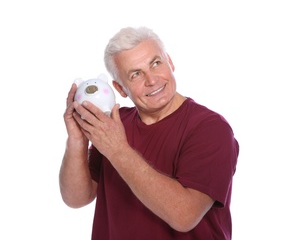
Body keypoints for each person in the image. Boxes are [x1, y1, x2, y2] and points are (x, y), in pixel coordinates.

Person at [59, 26, 239, 240]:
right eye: (135, 74)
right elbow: (76, 198)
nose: (152, 80)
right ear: (120, 88)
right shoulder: (114, 126)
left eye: (156, 63)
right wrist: (77, 140)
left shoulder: (210, 128)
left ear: (169, 62)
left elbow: (184, 215)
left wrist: (117, 150)